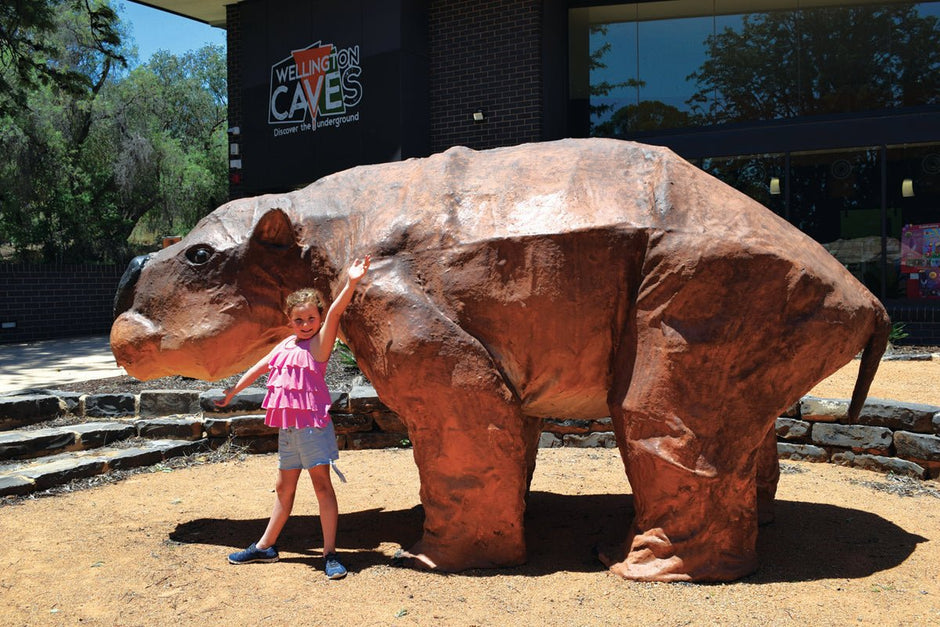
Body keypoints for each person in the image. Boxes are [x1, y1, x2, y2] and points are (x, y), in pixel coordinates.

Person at [215, 255, 371, 580]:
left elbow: (338, 310)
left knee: (322, 487)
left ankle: (330, 554)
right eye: (299, 319)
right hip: (288, 431)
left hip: (313, 429)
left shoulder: (319, 344)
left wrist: (352, 281)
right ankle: (265, 547)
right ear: (290, 320)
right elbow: (259, 368)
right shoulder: (287, 343)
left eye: (311, 318)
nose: (305, 324)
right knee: (283, 489)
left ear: (318, 318)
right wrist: (232, 393)